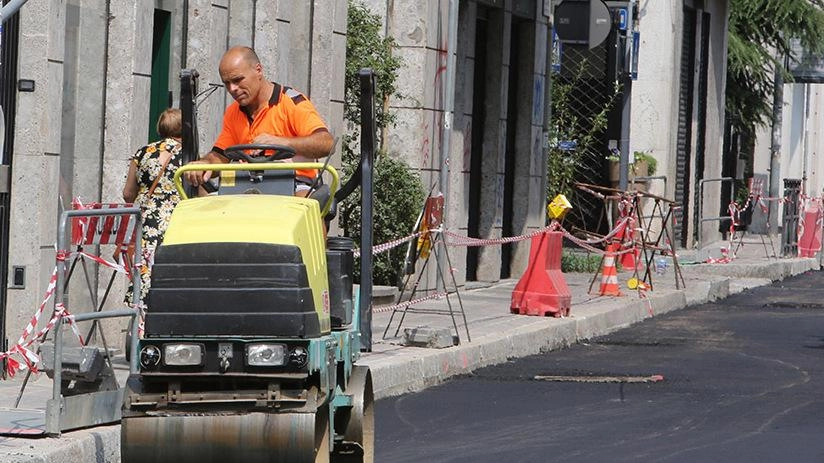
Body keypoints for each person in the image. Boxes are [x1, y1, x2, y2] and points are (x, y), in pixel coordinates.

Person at [184, 46, 334, 197]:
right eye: (227, 83)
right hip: (246, 185)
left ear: (258, 70)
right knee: (200, 204)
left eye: (237, 80)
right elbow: (220, 155)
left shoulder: (291, 102)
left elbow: (327, 144)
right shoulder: (233, 112)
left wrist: (282, 142)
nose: (232, 89)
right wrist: (205, 164)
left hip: (293, 183)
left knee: (305, 206)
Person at [122, 108, 184, 305]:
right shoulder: (188, 154)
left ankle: (140, 315)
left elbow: (127, 194)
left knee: (145, 266)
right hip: (176, 218)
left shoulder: (143, 152)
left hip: (146, 218)